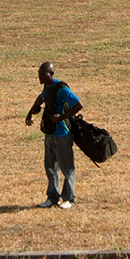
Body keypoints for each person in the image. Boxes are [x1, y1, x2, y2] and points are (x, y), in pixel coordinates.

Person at [24, 60, 82, 209]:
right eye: (39, 74)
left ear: (50, 74)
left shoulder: (61, 88)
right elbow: (41, 97)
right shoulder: (48, 87)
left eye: (42, 74)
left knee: (66, 167)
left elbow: (78, 105)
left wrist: (60, 118)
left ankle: (69, 198)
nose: (40, 76)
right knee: (50, 166)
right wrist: (31, 112)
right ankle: (52, 197)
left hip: (62, 133)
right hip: (50, 133)